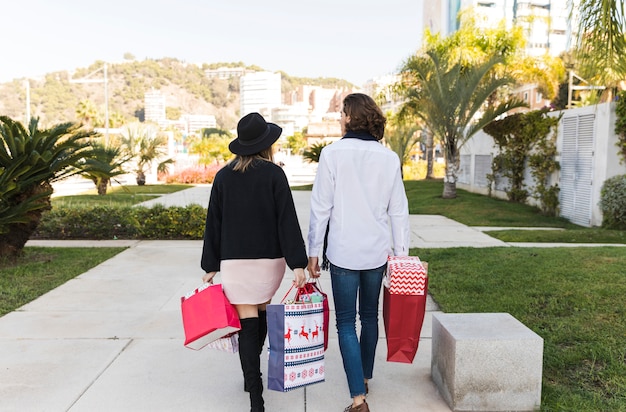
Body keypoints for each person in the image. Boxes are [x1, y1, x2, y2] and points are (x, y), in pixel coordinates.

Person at [307, 93, 410, 412]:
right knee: (369, 316)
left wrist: (313, 250)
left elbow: (320, 208)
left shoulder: (332, 154)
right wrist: (402, 255)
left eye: (341, 113)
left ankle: (358, 399)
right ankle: (364, 377)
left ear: (352, 117)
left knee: (346, 323)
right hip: (376, 253)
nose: (339, 118)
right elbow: (399, 211)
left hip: (342, 252)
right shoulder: (388, 158)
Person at [201, 112, 308, 412]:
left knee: (247, 322)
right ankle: (253, 376)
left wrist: (210, 264)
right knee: (260, 312)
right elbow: (287, 220)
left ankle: (254, 393)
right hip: (269, 262)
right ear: (266, 144)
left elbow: (214, 223)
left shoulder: (223, 177)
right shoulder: (275, 175)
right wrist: (296, 263)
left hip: (235, 263)